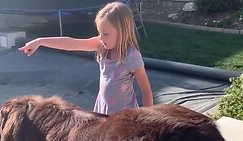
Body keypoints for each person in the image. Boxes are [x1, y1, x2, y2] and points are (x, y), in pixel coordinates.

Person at [19, 1, 153, 115]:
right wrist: (40, 41)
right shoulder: (102, 46)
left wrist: (147, 120)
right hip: (102, 112)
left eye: (105, 34)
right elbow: (71, 43)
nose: (101, 38)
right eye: (99, 33)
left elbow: (146, 91)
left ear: (122, 31)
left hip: (124, 119)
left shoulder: (131, 56)